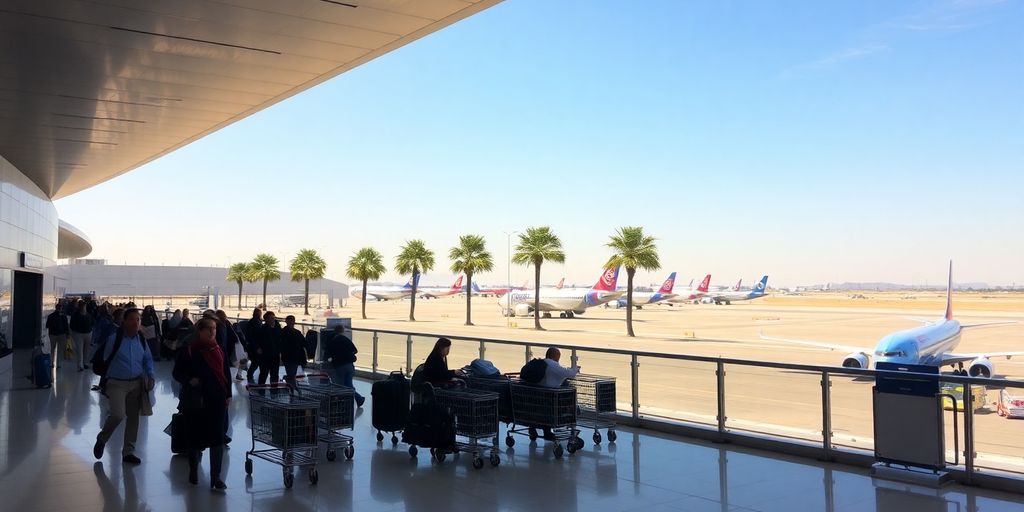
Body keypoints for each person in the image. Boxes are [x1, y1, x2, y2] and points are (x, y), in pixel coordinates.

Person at [172, 317, 230, 490]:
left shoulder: (219, 349)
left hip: (217, 398)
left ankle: (216, 477)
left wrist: (228, 394)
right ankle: (194, 469)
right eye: (209, 329)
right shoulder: (190, 350)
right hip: (196, 400)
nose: (212, 332)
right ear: (200, 331)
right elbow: (177, 372)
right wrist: (189, 380)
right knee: (195, 436)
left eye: (214, 328)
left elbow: (226, 373)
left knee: (217, 437)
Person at [93, 309, 155, 464]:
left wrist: (151, 375)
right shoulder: (114, 339)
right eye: (132, 319)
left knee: (133, 418)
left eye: (138, 320)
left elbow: (147, 359)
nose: (136, 323)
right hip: (116, 383)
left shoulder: (141, 340)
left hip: (136, 383)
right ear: (124, 322)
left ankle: (128, 451)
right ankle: (102, 438)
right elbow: (105, 358)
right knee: (118, 414)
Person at [528, 347, 582, 440]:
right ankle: (568, 421)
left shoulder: (541, 364)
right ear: (555, 356)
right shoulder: (552, 364)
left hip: (537, 396)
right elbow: (569, 374)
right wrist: (575, 369)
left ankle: (535, 427)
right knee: (566, 392)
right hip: (549, 398)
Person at [323, 325, 364, 406]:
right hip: (349, 365)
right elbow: (355, 350)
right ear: (342, 331)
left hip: (339, 366)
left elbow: (326, 356)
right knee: (348, 384)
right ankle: (357, 399)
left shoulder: (331, 341)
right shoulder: (346, 339)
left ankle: (349, 401)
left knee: (342, 386)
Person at [279, 315, 307, 387]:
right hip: (295, 356)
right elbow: (304, 343)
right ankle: (292, 386)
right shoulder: (297, 333)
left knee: (291, 373)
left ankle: (291, 386)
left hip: (288, 357)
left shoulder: (282, 332)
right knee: (292, 374)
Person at [255, 311, 281, 385]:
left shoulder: (278, 328)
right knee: (264, 373)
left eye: (273, 318)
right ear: (266, 320)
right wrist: (258, 348)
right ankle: (261, 389)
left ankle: (274, 390)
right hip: (265, 355)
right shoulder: (262, 329)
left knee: (275, 374)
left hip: (275, 355)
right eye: (270, 318)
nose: (272, 320)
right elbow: (257, 340)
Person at [70, 301, 94, 372]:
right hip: (78, 334)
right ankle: (80, 365)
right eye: (82, 306)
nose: (83, 307)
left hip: (87, 333)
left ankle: (85, 363)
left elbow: (93, 323)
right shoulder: (75, 315)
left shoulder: (89, 315)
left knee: (86, 349)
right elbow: (72, 325)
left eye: (84, 306)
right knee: (80, 350)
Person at [45, 301, 70, 368]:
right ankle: (58, 363)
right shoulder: (64, 317)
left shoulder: (51, 316)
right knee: (60, 350)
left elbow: (47, 325)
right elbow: (66, 326)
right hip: (61, 334)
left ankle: (52, 362)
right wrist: (67, 334)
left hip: (53, 334)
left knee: (52, 349)